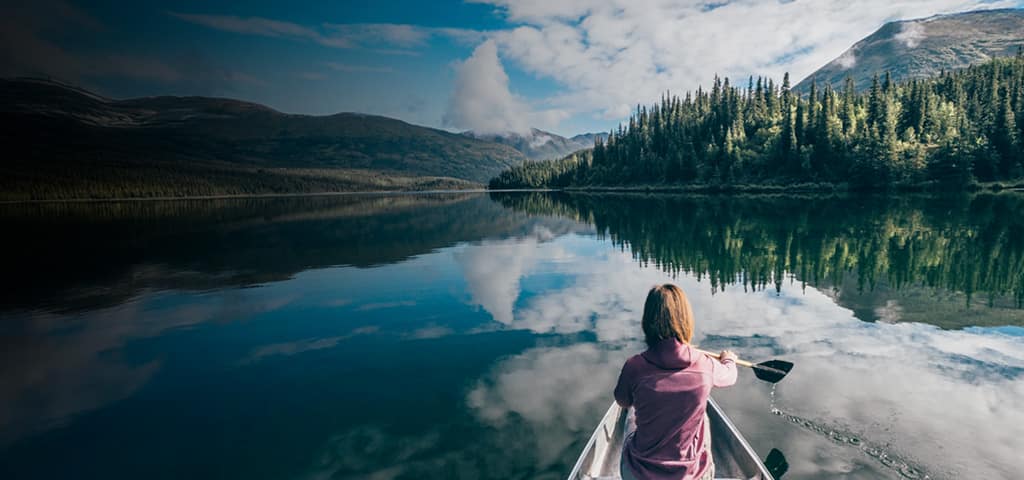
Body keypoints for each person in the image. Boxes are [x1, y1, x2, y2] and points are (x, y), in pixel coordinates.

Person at [614, 284, 738, 480]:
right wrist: (729, 359)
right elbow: (730, 376)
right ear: (686, 321)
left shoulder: (634, 366)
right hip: (691, 475)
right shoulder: (704, 364)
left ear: (647, 321)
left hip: (639, 473)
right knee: (703, 416)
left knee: (631, 412)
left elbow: (622, 401)